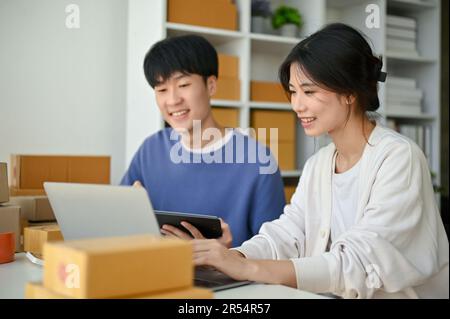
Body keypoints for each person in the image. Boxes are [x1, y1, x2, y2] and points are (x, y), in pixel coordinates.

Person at [192, 23, 449, 298]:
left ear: (350, 92)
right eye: (293, 91)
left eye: (309, 91)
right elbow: (288, 233)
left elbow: (358, 261)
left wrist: (248, 268)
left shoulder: (398, 157)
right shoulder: (319, 163)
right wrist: (232, 257)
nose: (296, 105)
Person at [121, 35, 286, 247]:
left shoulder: (257, 160)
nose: (172, 100)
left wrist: (227, 257)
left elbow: (276, 251)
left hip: (229, 280)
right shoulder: (150, 150)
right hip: (157, 273)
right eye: (162, 90)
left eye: (183, 84)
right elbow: (117, 226)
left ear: (211, 86)